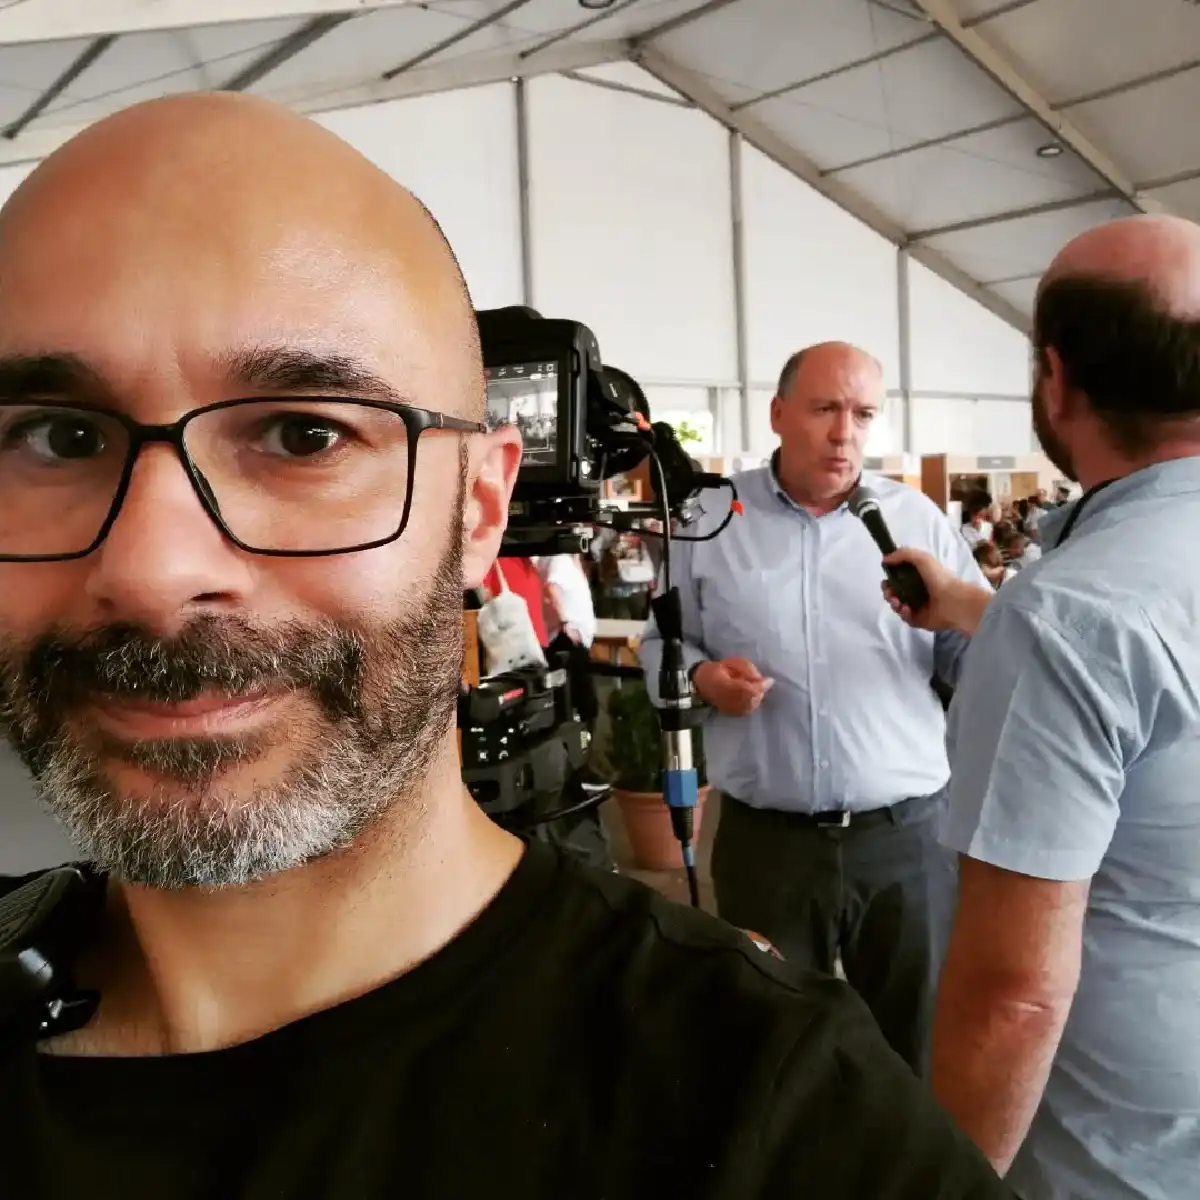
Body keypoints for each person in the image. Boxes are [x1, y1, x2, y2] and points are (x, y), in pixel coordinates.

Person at [0, 95, 1010, 1199]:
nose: (151, 569)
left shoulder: (769, 1110)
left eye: (305, 434)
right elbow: (666, 649)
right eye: (58, 437)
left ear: (481, 508)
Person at [884, 213, 1200, 1199]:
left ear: (1056, 382)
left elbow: (1014, 996)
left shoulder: (1067, 615)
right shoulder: (1080, 616)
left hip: (1116, 1155)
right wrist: (977, 611)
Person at [639, 341, 991, 1076]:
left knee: (917, 1047)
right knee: (771, 1050)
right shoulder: (711, 517)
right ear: (777, 413)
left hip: (906, 844)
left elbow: (974, 663)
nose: (844, 434)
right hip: (768, 847)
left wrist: (972, 613)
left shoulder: (916, 520)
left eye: (862, 414)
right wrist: (702, 678)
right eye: (825, 408)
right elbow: (660, 644)